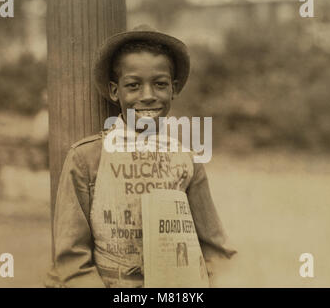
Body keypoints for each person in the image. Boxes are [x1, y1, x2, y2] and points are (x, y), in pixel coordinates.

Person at [45, 25, 236, 288]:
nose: (147, 96)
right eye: (133, 86)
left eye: (159, 84)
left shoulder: (186, 157)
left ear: (173, 89)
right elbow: (72, 258)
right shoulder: (86, 157)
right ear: (115, 91)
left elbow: (214, 248)